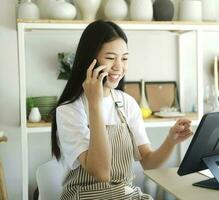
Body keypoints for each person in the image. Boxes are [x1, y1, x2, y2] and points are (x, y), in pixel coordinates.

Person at [51, 20, 193, 200]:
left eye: (124, 58)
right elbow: (100, 172)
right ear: (90, 60)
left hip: (122, 195)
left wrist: (171, 140)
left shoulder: (127, 103)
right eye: (110, 58)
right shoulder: (69, 110)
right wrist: (95, 105)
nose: (119, 66)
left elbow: (148, 163)